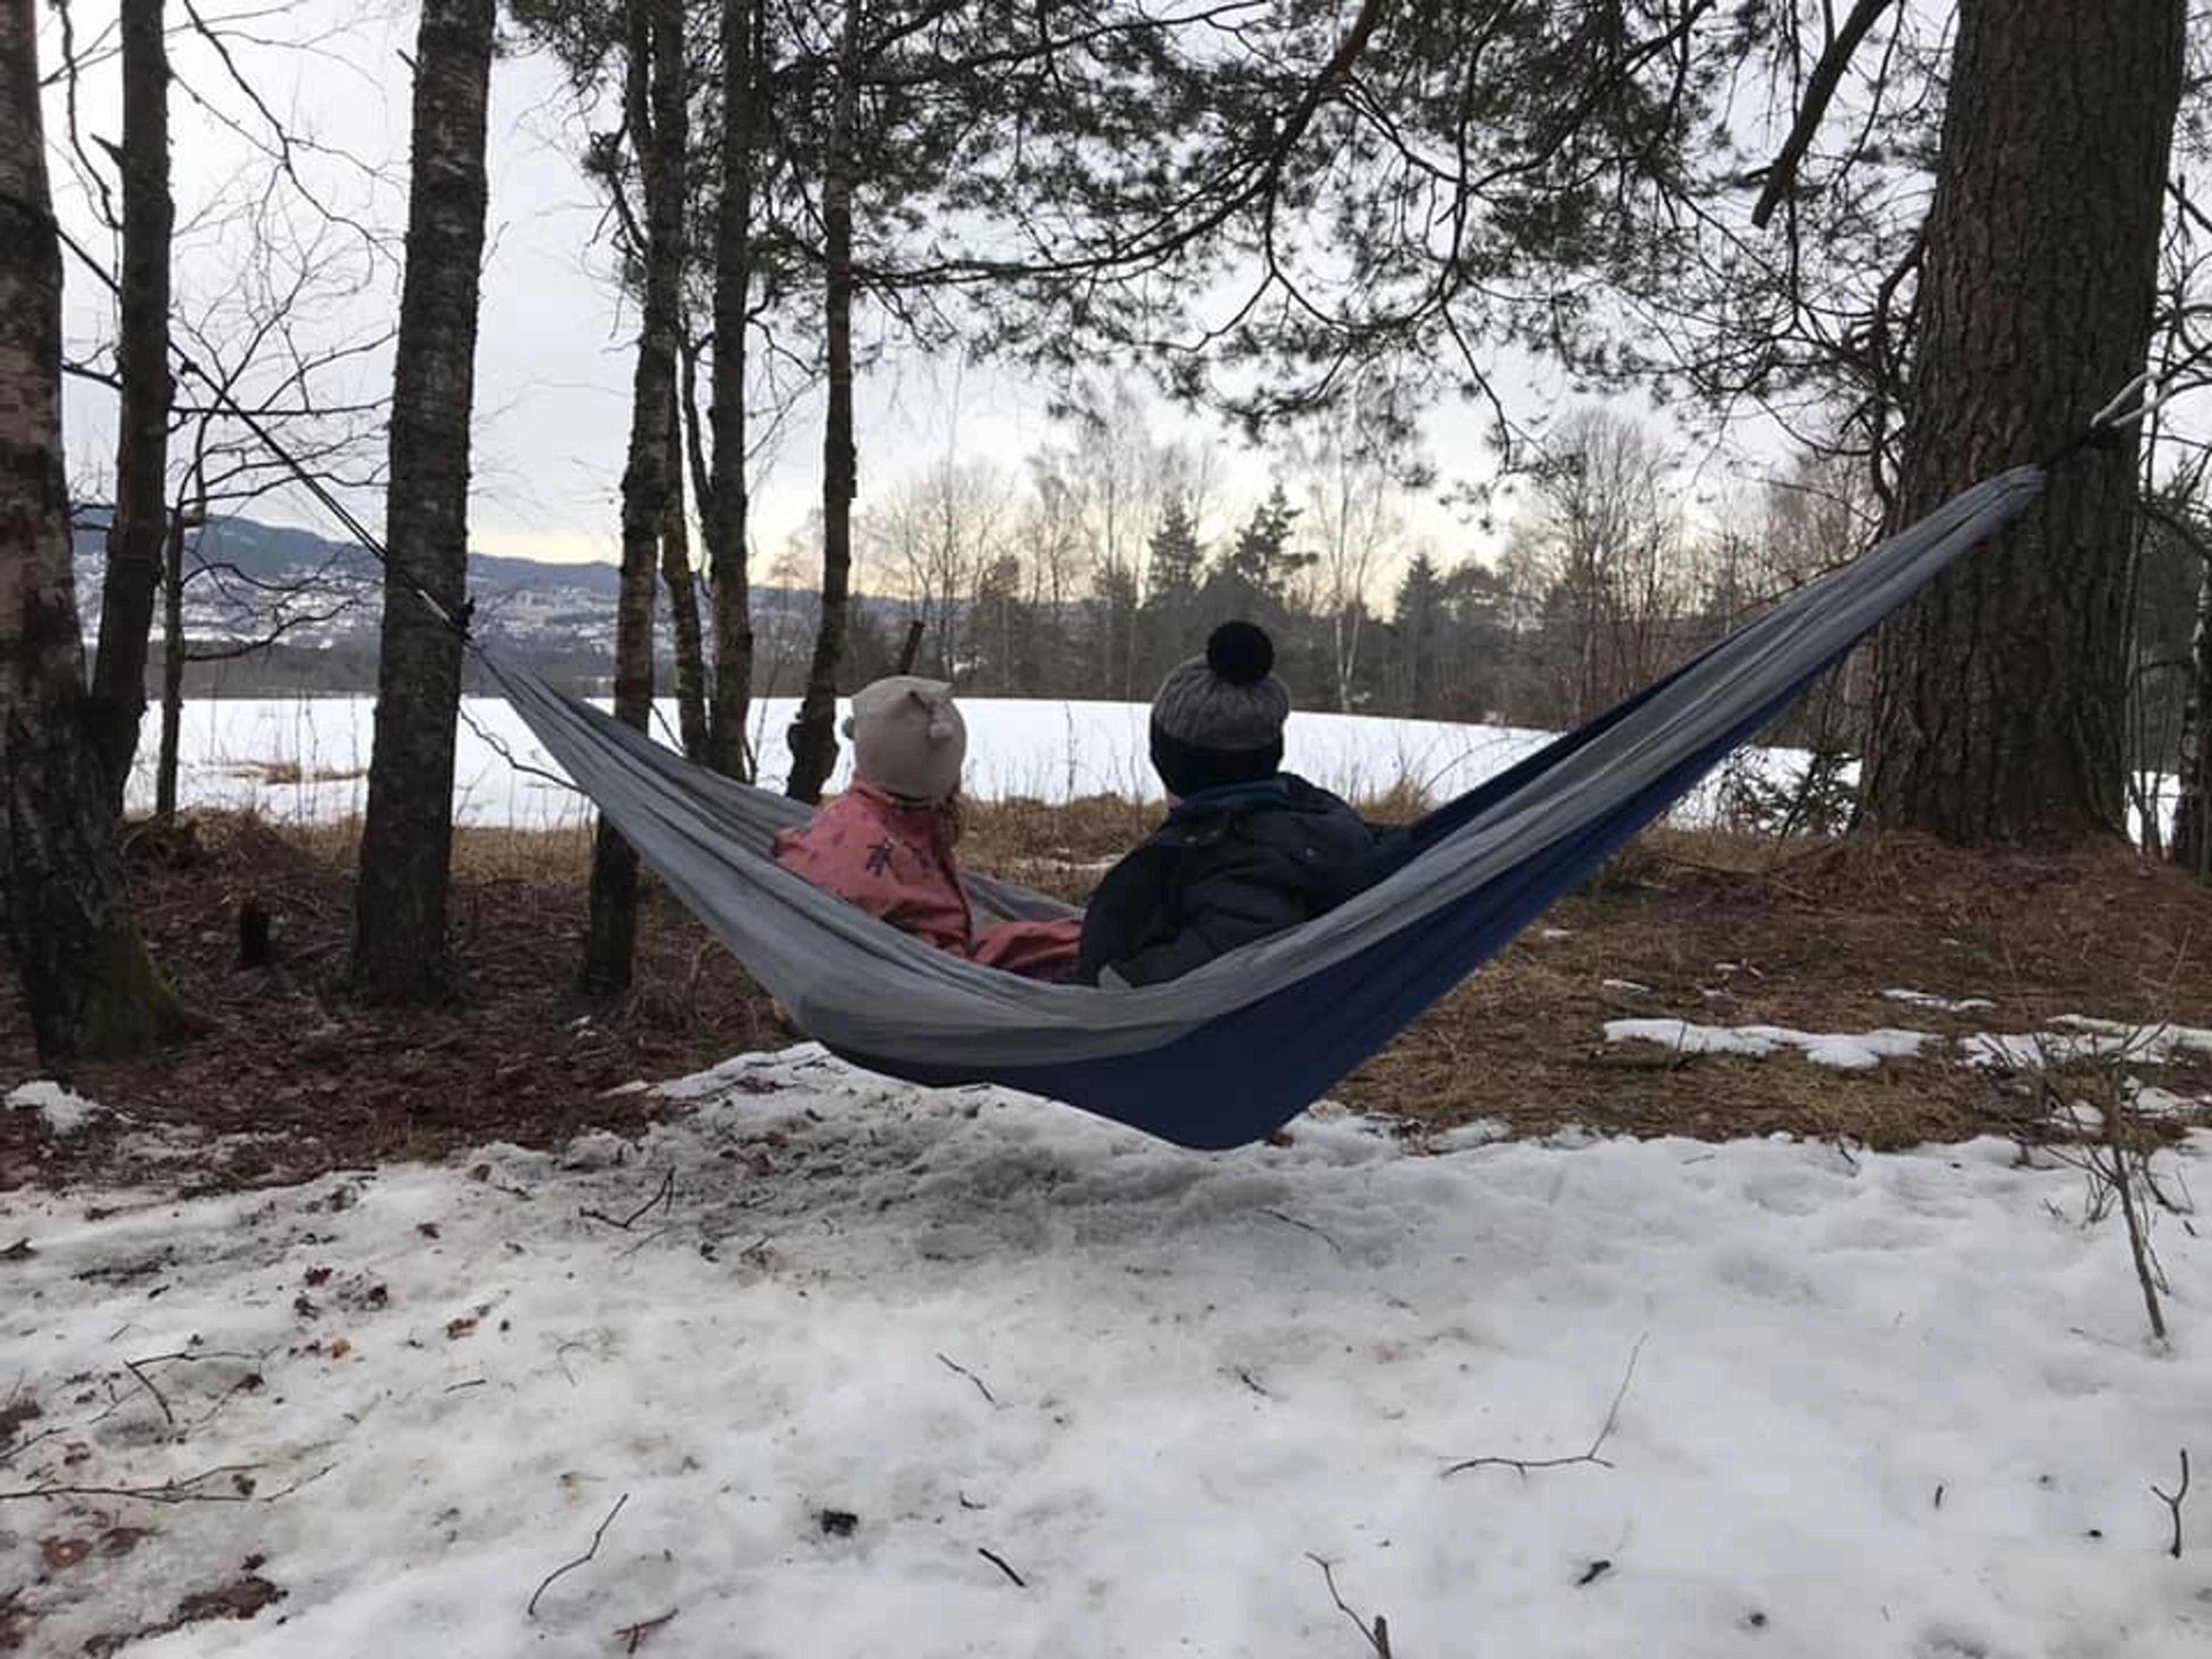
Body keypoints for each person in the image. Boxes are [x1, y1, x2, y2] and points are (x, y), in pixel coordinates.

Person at [1080, 621, 1394, 987]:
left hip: (1151, 1023)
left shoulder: (1246, 856)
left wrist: (1123, 983)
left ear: (1174, 762)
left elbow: (1235, 946)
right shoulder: (1301, 818)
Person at [772, 676, 1083, 979]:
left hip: (845, 968)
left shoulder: (839, 820)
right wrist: (1044, 944)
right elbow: (945, 967)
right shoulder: (895, 851)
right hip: (919, 986)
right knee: (1069, 943)